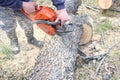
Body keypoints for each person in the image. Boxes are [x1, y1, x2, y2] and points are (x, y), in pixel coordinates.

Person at [0, 0, 69, 54]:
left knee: (27, 23)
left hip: (24, 1)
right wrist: (21, 4)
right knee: (9, 25)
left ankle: (31, 39)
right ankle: (13, 41)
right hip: (3, 5)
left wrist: (61, 8)